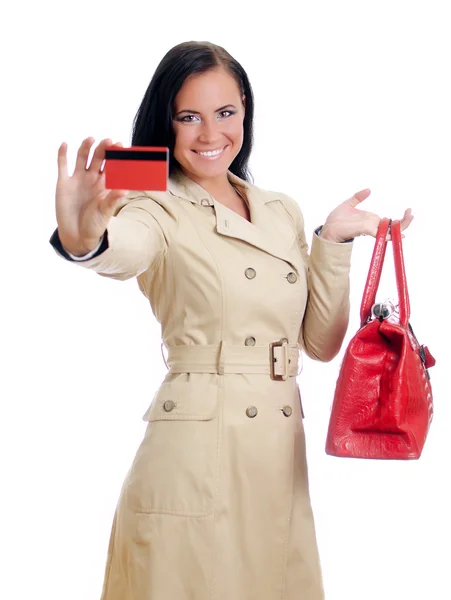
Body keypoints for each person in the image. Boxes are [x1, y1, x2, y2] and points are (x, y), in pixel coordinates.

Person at [49, 40, 413, 600]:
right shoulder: (152, 197)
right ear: (165, 122)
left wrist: (332, 241)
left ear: (245, 108)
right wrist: (82, 236)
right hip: (196, 455)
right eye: (188, 117)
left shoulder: (278, 209)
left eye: (225, 113)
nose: (210, 134)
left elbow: (318, 342)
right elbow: (124, 247)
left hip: (276, 458)